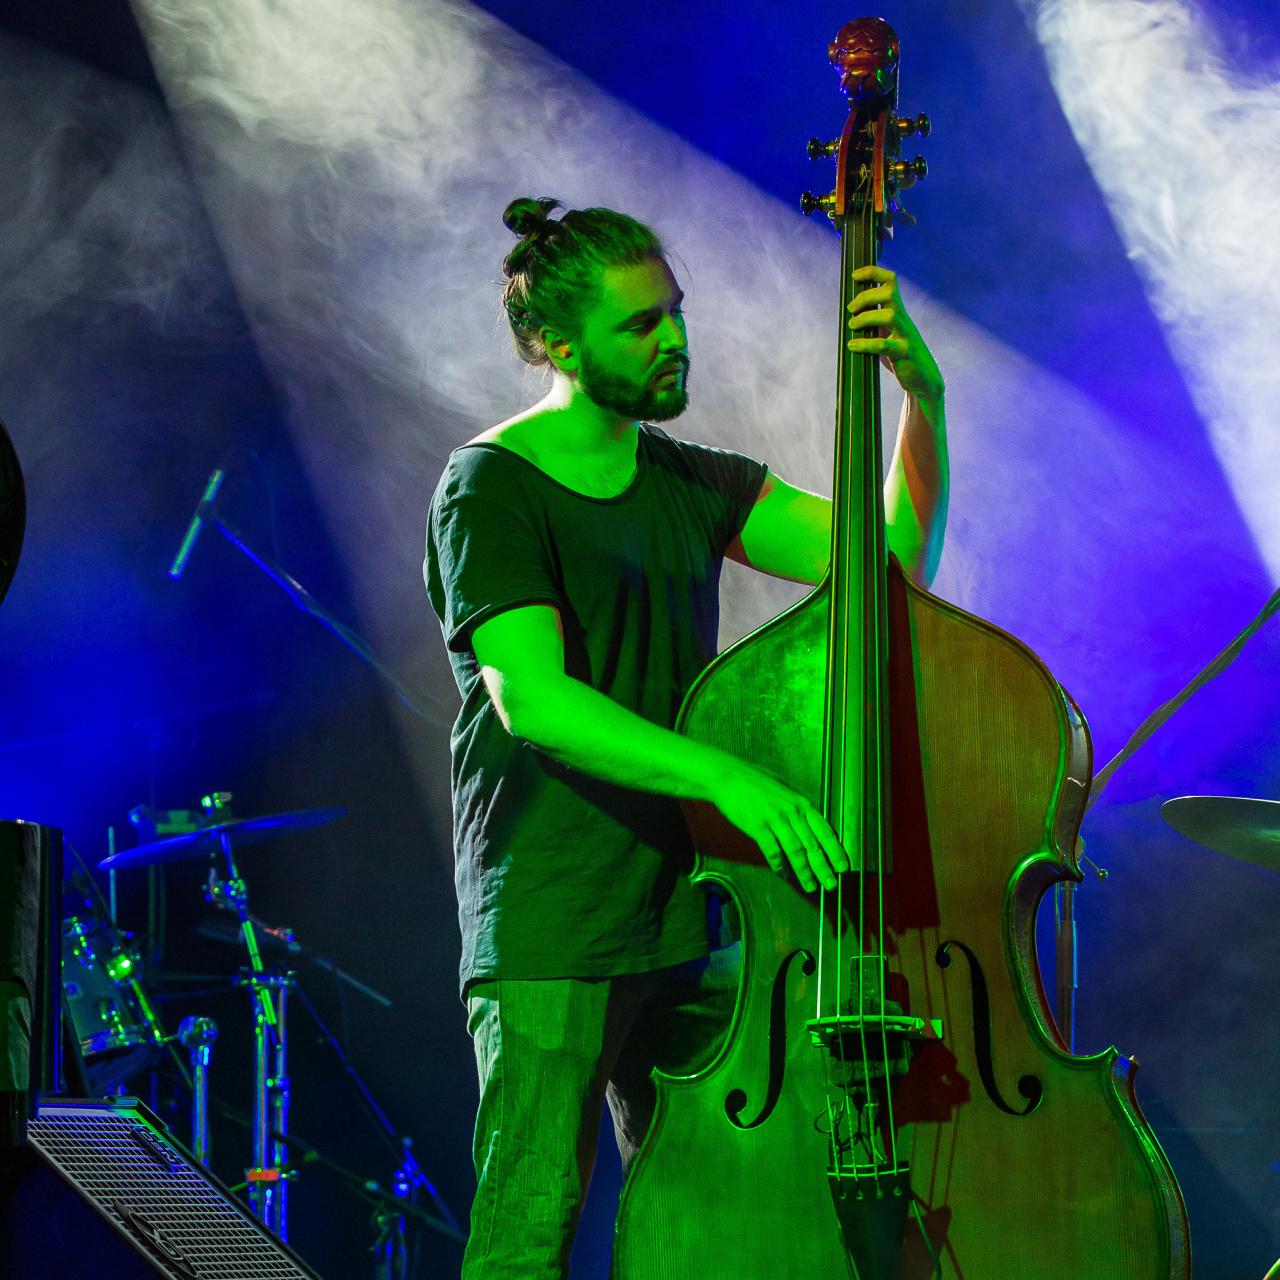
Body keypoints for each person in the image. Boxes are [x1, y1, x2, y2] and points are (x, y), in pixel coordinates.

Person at [422, 195, 948, 1278]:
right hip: (554, 919)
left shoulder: (693, 478)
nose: (673, 339)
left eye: (674, 312)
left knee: (709, 1234)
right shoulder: (489, 483)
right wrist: (729, 779)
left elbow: (892, 565)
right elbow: (535, 700)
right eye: (639, 324)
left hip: (689, 915)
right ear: (559, 345)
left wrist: (923, 400)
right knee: (527, 1239)